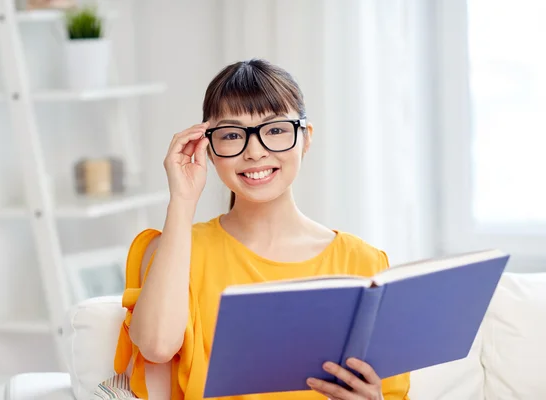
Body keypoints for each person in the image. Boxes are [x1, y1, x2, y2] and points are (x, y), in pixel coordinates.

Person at [113, 59, 410, 400]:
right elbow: (156, 346)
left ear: (305, 138)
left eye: (275, 130)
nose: (254, 152)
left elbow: (392, 389)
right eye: (231, 135)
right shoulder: (179, 249)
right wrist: (182, 199)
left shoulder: (364, 263)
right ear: (209, 148)